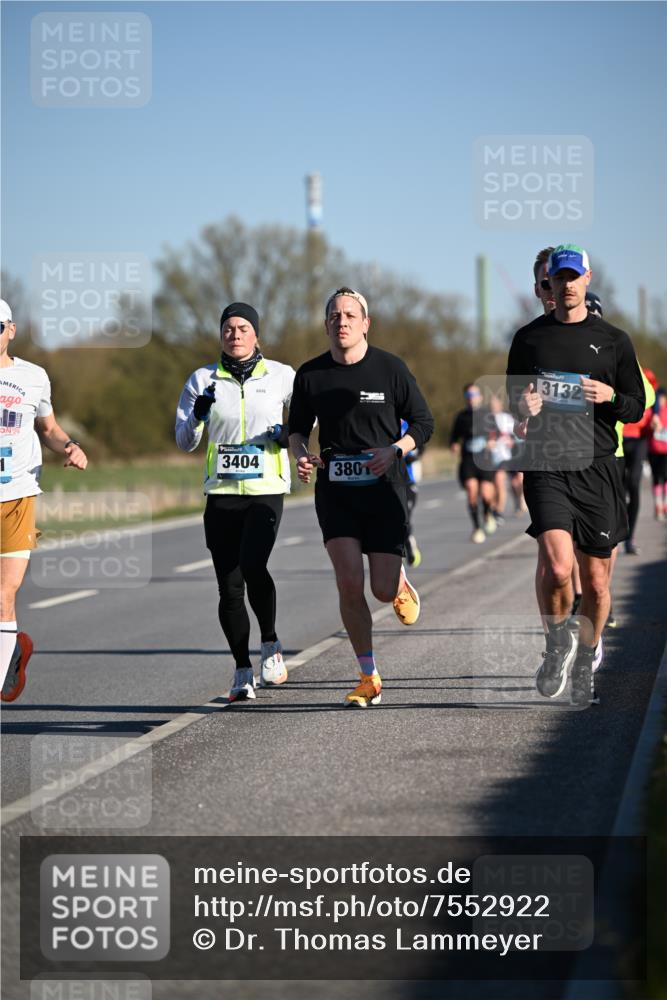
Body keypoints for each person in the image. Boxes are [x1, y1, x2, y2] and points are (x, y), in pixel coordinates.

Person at [507, 245, 645, 706]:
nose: (565, 285)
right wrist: (522, 407)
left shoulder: (614, 340)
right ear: (547, 283)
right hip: (547, 464)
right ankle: (556, 646)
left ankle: (586, 657)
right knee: (558, 566)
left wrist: (610, 396)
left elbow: (636, 407)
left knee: (598, 583)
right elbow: (512, 399)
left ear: (586, 278)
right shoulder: (528, 339)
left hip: (598, 467)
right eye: (557, 278)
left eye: (572, 276)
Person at [288, 287, 433, 708]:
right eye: (335, 315)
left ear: (366, 323)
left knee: (382, 590)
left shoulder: (390, 369)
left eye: (351, 315)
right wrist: (301, 457)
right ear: (326, 324)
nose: (342, 322)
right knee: (349, 581)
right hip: (336, 490)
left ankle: (398, 582)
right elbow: (297, 430)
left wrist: (395, 450)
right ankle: (368, 677)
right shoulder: (311, 374)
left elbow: (424, 422)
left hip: (385, 489)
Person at [175, 302, 295, 703]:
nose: (236, 334)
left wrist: (287, 434)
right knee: (229, 587)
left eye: (244, 328)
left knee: (254, 564)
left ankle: (270, 643)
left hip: (265, 490)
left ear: (256, 334)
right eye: (229, 328)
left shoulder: (281, 375)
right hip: (222, 494)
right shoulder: (202, 379)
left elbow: (307, 419)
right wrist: (197, 416)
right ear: (221, 335)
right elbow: (184, 441)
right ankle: (242, 669)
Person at [0, 299, 88, 702]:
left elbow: (49, 428)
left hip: (17, 495)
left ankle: (3, 668)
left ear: (11, 330)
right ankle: (13, 649)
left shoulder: (33, 377)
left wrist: (70, 446)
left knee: (4, 592)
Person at [449, 384, 497, 543]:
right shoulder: (461, 417)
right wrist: (454, 445)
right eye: (469, 395)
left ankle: (488, 514)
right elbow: (454, 437)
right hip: (468, 459)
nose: (472, 398)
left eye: (474, 394)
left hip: (485, 459)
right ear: (465, 398)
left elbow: (496, 433)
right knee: (471, 490)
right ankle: (477, 528)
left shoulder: (488, 414)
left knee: (486, 493)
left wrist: (492, 441)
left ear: (480, 397)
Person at [621, 366, 657, 552]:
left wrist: (656, 416)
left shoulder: (645, 373)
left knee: (634, 483)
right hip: (618, 438)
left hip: (639, 438)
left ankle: (630, 538)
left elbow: (654, 395)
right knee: (618, 488)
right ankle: (615, 532)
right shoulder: (614, 368)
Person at [401, 417, 423, 567]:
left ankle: (408, 543)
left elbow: (420, 446)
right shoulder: (381, 422)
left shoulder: (408, 425)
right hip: (385, 481)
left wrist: (411, 454)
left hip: (408, 481)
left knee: (404, 517)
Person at [648, 386, 667, 520]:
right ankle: (658, 504)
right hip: (653, 450)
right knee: (656, 477)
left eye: (662, 398)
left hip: (666, 451)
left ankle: (665, 504)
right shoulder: (652, 413)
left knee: (665, 477)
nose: (660, 401)